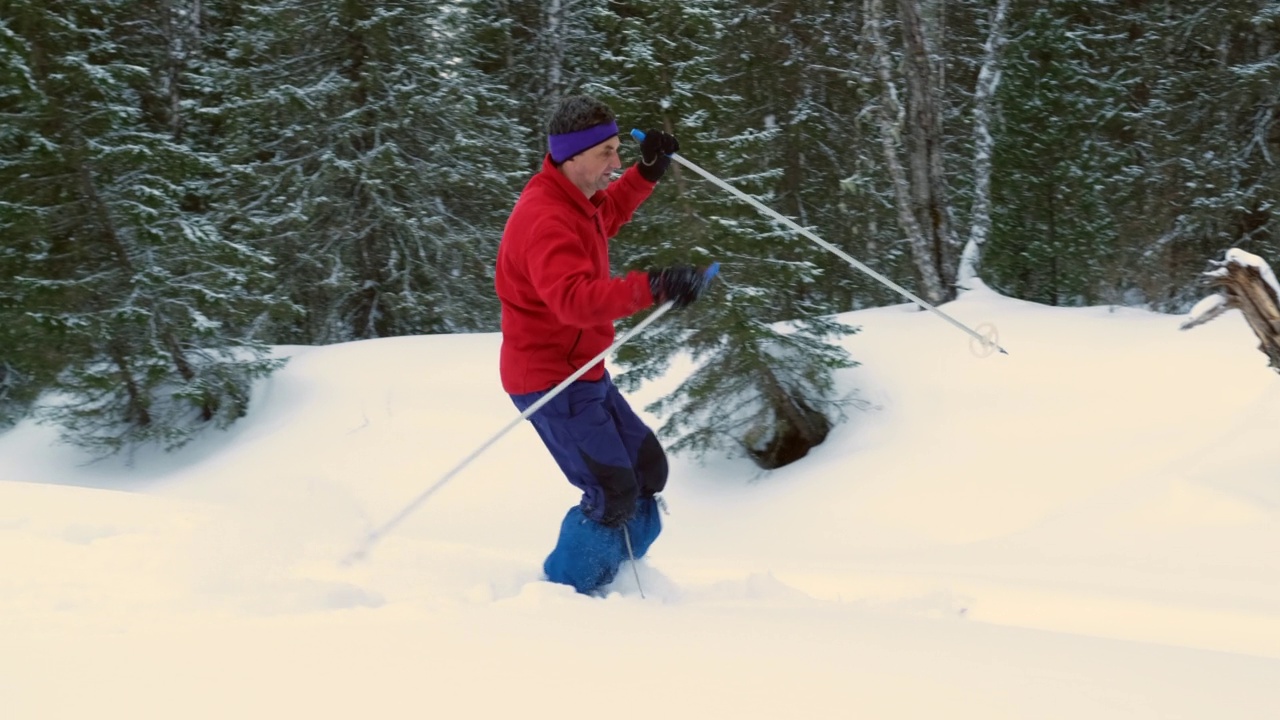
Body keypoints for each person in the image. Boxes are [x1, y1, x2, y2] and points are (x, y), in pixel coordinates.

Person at [495, 95, 709, 594]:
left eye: (619, 150)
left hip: (584, 371)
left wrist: (646, 173)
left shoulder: (572, 198)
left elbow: (605, 215)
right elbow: (571, 301)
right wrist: (653, 286)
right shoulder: (545, 218)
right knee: (612, 491)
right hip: (550, 381)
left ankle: (620, 569)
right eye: (607, 154)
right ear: (572, 156)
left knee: (646, 469)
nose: (616, 164)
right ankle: (567, 594)